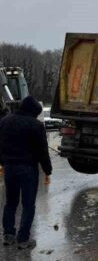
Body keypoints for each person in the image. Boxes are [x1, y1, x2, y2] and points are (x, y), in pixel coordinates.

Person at [0, 96, 52, 249]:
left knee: (10, 203)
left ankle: (8, 235)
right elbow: (42, 151)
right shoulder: (36, 125)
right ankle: (23, 239)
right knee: (28, 204)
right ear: (33, 112)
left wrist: (2, 162)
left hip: (9, 167)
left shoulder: (5, 121)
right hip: (28, 169)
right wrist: (47, 170)